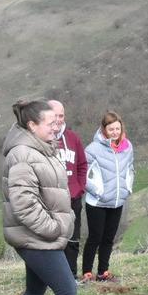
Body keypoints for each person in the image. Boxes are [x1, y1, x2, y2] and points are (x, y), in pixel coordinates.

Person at [3, 99, 77, 295]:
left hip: (37, 235)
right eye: (50, 123)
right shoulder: (23, 153)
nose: (56, 128)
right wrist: (54, 229)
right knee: (67, 291)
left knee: (36, 289)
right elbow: (23, 204)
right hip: (36, 236)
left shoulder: (41, 148)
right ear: (32, 125)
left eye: (57, 123)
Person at [82, 111, 134, 282]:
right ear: (104, 129)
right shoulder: (92, 149)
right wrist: (97, 191)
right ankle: (87, 272)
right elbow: (82, 174)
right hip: (97, 202)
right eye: (111, 129)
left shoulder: (127, 147)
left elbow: (130, 169)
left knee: (109, 238)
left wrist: (128, 189)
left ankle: (103, 271)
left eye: (117, 128)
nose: (115, 132)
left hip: (117, 201)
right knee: (95, 237)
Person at [49, 99, 89, 280]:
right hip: (50, 200)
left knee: (72, 238)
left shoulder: (73, 138)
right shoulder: (41, 139)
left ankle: (71, 276)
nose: (58, 119)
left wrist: (79, 187)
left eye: (61, 115)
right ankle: (52, 277)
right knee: (52, 239)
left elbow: (82, 164)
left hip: (73, 198)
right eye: (54, 115)